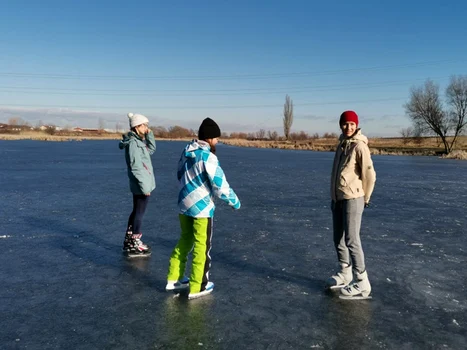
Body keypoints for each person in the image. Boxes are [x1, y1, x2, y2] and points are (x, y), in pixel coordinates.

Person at [166, 117, 241, 299]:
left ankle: (174, 278)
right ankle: (198, 286)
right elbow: (220, 185)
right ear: (209, 138)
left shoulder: (186, 151)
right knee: (202, 245)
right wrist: (234, 201)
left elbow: (178, 173)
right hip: (201, 209)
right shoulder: (208, 157)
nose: (217, 141)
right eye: (216, 138)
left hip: (184, 204)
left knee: (185, 240)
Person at [327, 110, 376, 299]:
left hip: (353, 199)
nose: (349, 127)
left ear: (357, 126)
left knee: (352, 240)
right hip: (338, 198)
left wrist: (365, 198)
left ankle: (362, 282)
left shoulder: (359, 147)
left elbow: (370, 176)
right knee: (337, 239)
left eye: (352, 124)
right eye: (345, 124)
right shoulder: (342, 144)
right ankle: (345, 274)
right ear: (341, 125)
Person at [119, 112, 156, 258]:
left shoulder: (138, 141)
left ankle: (129, 240)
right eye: (145, 125)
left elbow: (151, 150)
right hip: (141, 184)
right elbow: (135, 167)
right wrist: (144, 186)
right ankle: (135, 242)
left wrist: (150, 136)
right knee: (140, 212)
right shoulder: (133, 144)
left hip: (142, 183)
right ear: (137, 126)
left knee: (136, 211)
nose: (147, 127)